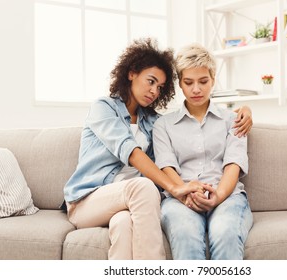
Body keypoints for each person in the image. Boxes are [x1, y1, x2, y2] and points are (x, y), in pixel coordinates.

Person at [63, 38, 253, 260]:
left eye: (160, 87)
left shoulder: (153, 121)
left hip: (124, 204)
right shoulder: (103, 108)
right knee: (145, 188)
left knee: (124, 226)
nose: (154, 91)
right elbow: (131, 152)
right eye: (150, 81)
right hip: (89, 198)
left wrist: (246, 109)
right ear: (132, 73)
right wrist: (176, 188)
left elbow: (181, 134)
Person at [153, 43, 253, 260]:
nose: (196, 89)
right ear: (180, 83)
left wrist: (217, 197)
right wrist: (185, 192)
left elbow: (233, 165)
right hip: (181, 199)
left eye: (203, 81)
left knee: (225, 232)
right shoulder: (163, 125)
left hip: (228, 197)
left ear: (213, 79)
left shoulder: (233, 120)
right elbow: (166, 166)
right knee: (185, 234)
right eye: (188, 82)